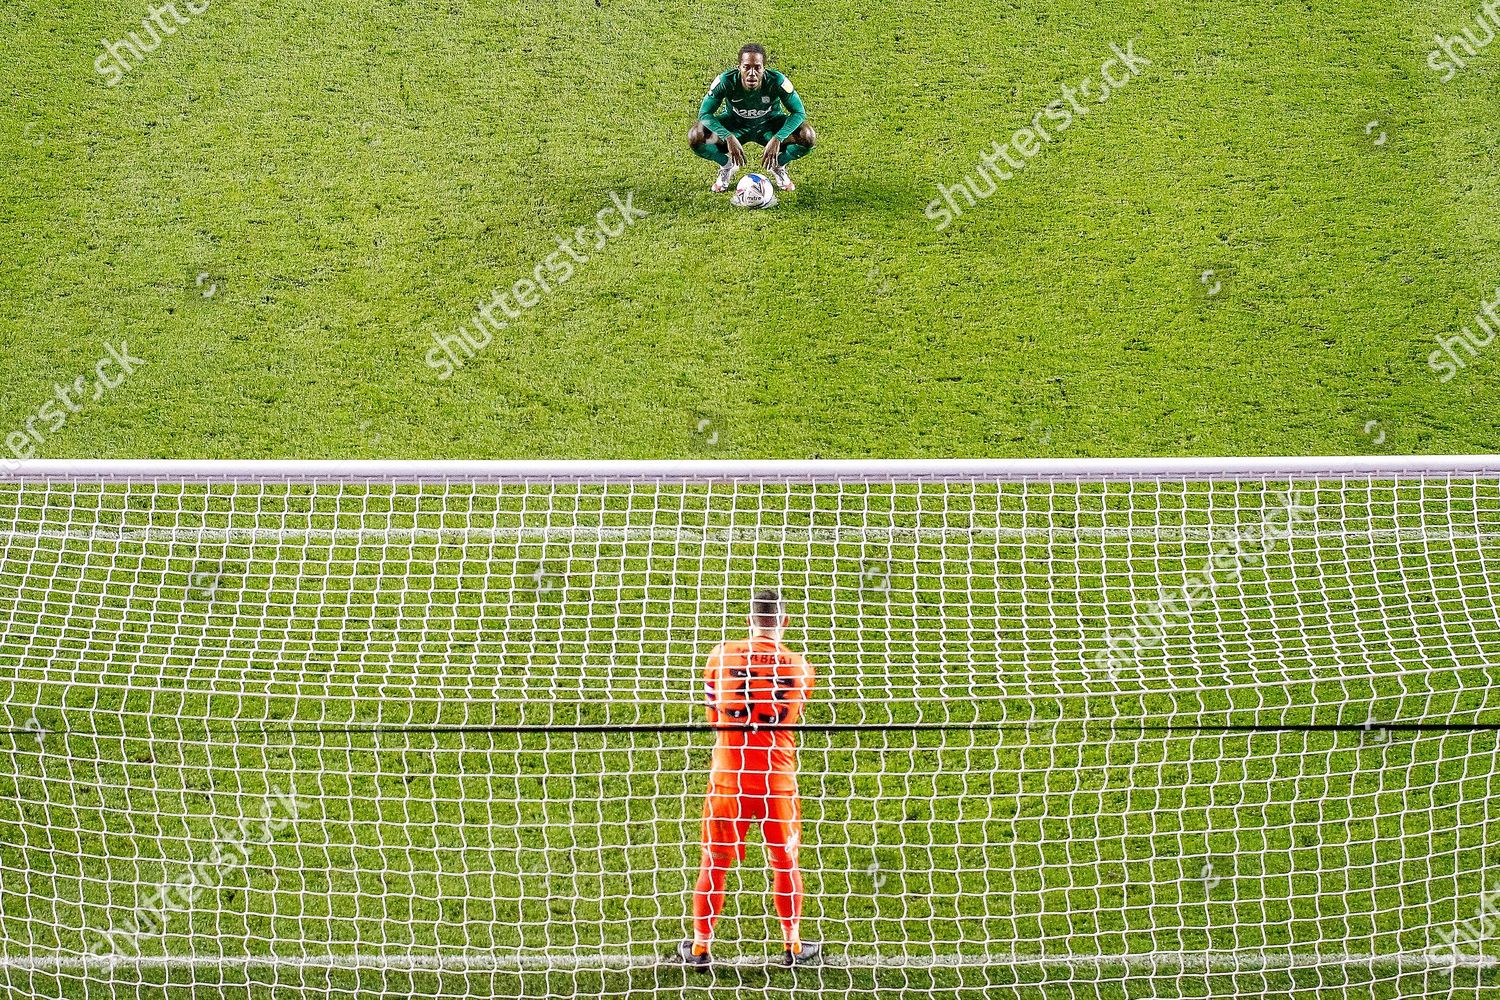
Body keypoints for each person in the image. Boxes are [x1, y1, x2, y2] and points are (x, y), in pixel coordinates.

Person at [669, 588, 822, 969]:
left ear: (749, 621)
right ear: (784, 622)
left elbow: (713, 714)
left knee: (713, 864)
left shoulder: (719, 656)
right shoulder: (802, 668)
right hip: (776, 783)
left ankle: (701, 949)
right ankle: (793, 946)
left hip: (728, 781)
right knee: (786, 864)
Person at [690, 44, 817, 193]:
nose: (751, 73)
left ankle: (778, 164)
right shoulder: (725, 81)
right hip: (735, 127)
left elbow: (799, 113)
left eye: (757, 67)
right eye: (746, 67)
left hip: (769, 128)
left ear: (764, 68)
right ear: (739, 68)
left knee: (807, 137)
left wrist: (778, 138)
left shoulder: (777, 81)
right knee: (696, 136)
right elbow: (704, 114)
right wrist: (728, 137)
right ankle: (727, 165)